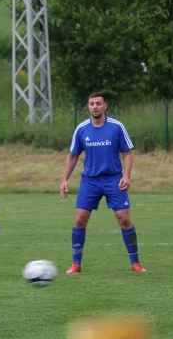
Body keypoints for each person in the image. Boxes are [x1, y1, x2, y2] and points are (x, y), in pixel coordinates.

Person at [60, 92, 146, 273]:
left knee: (124, 219)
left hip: (114, 179)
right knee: (80, 219)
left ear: (105, 106)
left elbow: (127, 152)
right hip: (90, 181)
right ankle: (76, 263)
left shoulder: (116, 127)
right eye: (92, 104)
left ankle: (135, 262)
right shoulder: (82, 129)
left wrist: (126, 175)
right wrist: (64, 179)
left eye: (99, 103)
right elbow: (73, 156)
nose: (95, 107)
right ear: (88, 107)